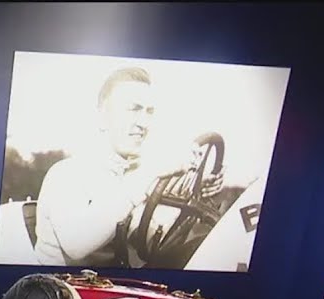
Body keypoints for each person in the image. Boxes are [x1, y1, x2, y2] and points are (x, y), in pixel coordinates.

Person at [33, 66, 224, 267]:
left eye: (149, 112)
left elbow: (147, 235)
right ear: (103, 117)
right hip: (59, 284)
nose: (144, 123)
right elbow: (76, 245)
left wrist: (197, 187)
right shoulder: (65, 174)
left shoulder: (129, 175)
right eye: (134, 109)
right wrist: (151, 172)